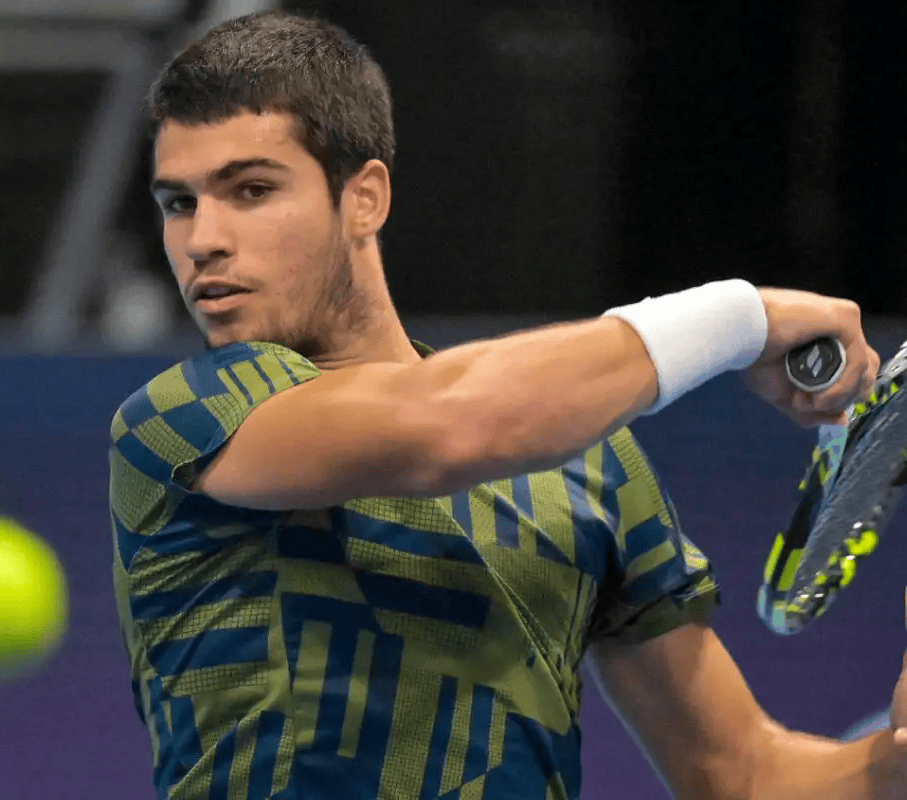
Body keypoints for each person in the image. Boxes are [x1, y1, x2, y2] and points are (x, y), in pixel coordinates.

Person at [109, 10, 900, 800]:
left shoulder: (593, 463)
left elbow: (748, 773)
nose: (203, 240)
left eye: (251, 190)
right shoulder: (184, 419)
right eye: (179, 203)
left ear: (364, 199)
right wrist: (739, 318)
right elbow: (448, 428)